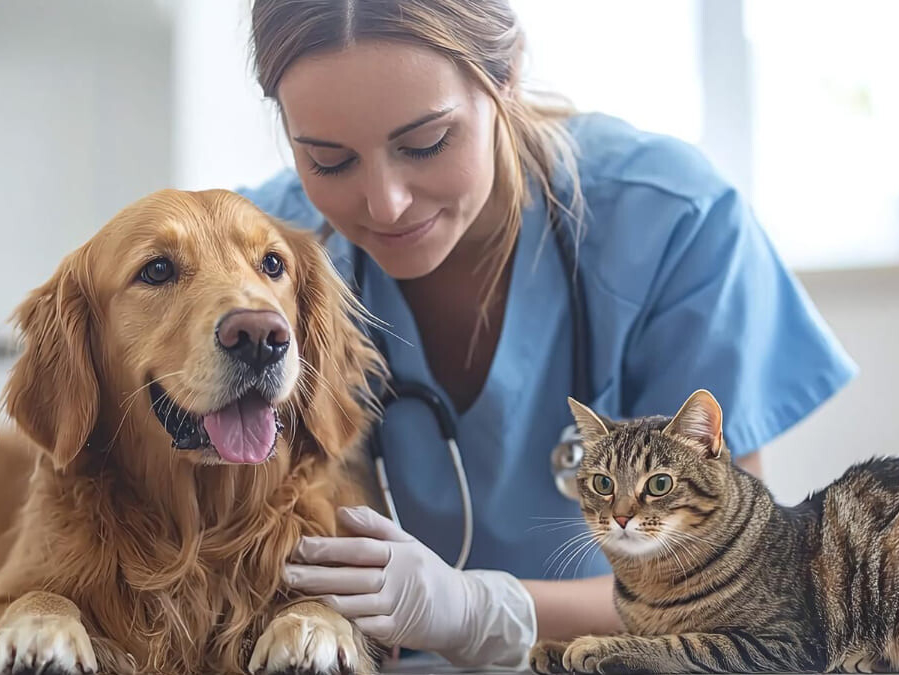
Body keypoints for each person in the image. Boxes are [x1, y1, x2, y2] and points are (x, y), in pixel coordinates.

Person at [238, 0, 857, 669]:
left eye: (425, 143)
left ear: (506, 73)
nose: (386, 201)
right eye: (330, 161)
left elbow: (726, 597)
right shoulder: (261, 262)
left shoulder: (673, 220)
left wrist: (477, 610)